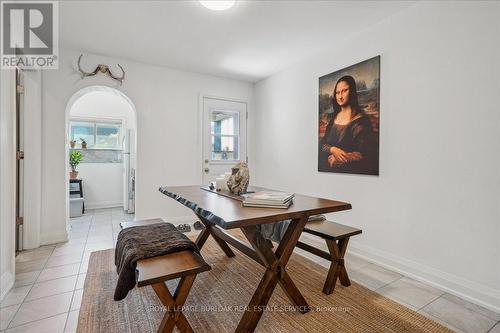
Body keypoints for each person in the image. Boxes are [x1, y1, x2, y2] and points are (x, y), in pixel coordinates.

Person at [318, 75, 378, 174]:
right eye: (337, 92)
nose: (340, 96)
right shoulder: (333, 118)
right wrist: (333, 149)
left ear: (352, 91)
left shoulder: (362, 122)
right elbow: (322, 144)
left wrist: (342, 158)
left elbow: (366, 153)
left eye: (344, 91)